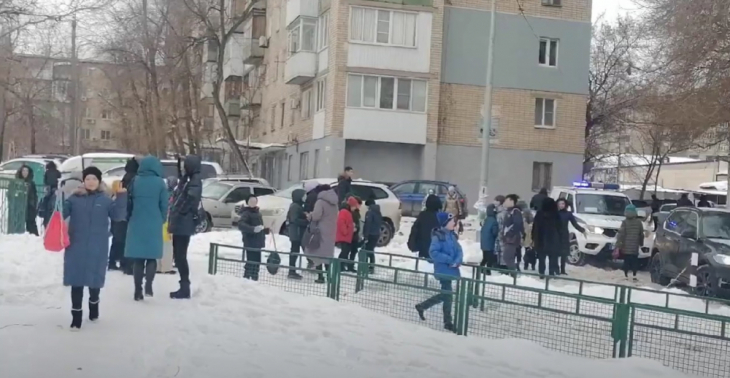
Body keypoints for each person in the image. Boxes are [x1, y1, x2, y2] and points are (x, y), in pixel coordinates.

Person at [63, 166, 122, 330]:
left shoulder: (105, 200)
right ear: (83, 181)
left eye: (94, 179)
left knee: (94, 280)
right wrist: (59, 198)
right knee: (77, 280)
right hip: (76, 245)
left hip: (98, 246)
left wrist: (121, 197)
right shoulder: (74, 199)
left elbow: (118, 216)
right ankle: (76, 317)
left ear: (99, 181)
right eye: (88, 178)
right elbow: (60, 213)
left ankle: (94, 307)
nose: (90, 182)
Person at [124, 155, 168, 301]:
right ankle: (149, 284)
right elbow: (164, 204)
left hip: (136, 220)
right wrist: (161, 218)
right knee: (151, 257)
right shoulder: (160, 183)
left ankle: (137, 289)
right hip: (154, 221)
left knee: (138, 258)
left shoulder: (135, 181)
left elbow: (128, 200)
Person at [414, 212, 463, 332]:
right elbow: (434, 252)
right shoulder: (438, 236)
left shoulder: (452, 235)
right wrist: (449, 260)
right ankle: (447, 322)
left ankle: (422, 306)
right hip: (443, 269)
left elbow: (459, 250)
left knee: (446, 295)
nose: (454, 224)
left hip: (451, 269)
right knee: (447, 295)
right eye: (452, 222)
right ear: (445, 223)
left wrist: (457, 260)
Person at [167, 155, 203, 299]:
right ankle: (183, 286)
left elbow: (191, 200)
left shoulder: (194, 181)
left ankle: (185, 287)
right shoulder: (189, 179)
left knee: (180, 256)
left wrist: (177, 210)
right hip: (181, 222)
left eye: (185, 165)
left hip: (184, 222)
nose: (183, 168)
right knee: (178, 255)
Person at [306, 185, 339, 283]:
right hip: (332, 229)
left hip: (320, 230)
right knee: (328, 253)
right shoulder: (335, 202)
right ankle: (329, 276)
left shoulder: (320, 202)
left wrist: (309, 215)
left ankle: (321, 277)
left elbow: (316, 216)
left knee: (318, 253)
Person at [238, 195, 268, 281]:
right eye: (251, 201)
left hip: (258, 241)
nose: (253, 203)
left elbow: (259, 226)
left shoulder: (258, 213)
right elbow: (241, 225)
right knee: (251, 261)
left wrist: (264, 230)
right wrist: (253, 229)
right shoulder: (246, 213)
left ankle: (254, 278)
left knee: (257, 261)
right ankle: (247, 278)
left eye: (255, 201)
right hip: (250, 241)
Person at [532, 198, 562, 276]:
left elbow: (534, 226)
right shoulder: (556, 214)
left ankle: (541, 272)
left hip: (540, 238)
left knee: (541, 258)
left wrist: (533, 237)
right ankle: (551, 272)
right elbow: (560, 227)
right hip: (553, 239)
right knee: (552, 257)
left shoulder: (539, 214)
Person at [615, 204, 644, 281]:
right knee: (634, 261)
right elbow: (641, 234)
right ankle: (634, 276)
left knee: (626, 261)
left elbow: (621, 235)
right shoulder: (639, 222)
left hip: (626, 246)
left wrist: (618, 246)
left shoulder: (624, 222)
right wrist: (641, 243)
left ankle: (626, 276)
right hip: (635, 246)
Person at [556, 198, 585, 275]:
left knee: (564, 253)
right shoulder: (555, 213)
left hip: (564, 235)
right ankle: (555, 269)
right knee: (555, 253)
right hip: (556, 235)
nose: (561, 205)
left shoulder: (568, 214)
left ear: (565, 205)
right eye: (559, 204)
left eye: (562, 204)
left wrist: (582, 230)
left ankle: (562, 269)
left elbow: (574, 224)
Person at [408, 194, 441, 259]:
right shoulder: (440, 217)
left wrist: (413, 244)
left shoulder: (422, 215)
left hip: (423, 248)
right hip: (436, 250)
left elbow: (415, 230)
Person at [158, 176, 179, 274]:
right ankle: (166, 267)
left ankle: (157, 267)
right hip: (168, 221)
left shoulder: (161, 193)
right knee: (167, 246)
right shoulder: (174, 195)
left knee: (159, 244)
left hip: (159, 220)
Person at [286, 188, 308, 280]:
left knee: (295, 250)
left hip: (296, 232)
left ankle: (292, 270)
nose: (305, 197)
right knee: (294, 251)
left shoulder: (298, 205)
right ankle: (292, 270)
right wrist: (306, 221)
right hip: (296, 232)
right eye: (303, 196)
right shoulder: (295, 206)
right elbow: (294, 220)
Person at [500, 194, 524, 272]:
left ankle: (514, 275)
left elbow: (517, 224)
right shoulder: (510, 211)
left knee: (507, 257)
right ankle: (512, 273)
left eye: (506, 200)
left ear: (511, 201)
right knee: (508, 257)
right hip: (508, 238)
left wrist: (510, 233)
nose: (505, 202)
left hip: (512, 239)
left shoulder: (515, 211)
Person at [336, 196, 360, 272]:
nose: (355, 208)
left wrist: (352, 228)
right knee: (344, 252)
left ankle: (341, 266)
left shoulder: (347, 212)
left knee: (345, 252)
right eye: (354, 206)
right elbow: (341, 223)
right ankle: (339, 266)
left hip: (347, 236)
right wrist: (346, 231)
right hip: (344, 236)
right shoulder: (344, 212)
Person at [108, 180, 128, 271]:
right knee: (120, 242)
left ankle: (112, 261)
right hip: (120, 222)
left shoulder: (113, 196)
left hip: (116, 223)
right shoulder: (117, 197)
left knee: (116, 242)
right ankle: (121, 262)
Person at [16, 165, 38, 236]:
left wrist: (34, 205)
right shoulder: (17, 181)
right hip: (19, 205)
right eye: (23, 171)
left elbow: (34, 195)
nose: (25, 173)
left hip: (29, 206)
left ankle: (34, 237)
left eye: (26, 171)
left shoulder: (31, 183)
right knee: (18, 223)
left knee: (31, 223)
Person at [362, 196, 382, 272]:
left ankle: (367, 267)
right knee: (371, 250)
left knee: (367, 251)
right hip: (376, 234)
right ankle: (371, 266)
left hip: (370, 234)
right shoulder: (378, 212)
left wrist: (366, 236)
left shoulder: (370, 213)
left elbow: (368, 224)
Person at [479, 204, 499, 274]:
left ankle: (480, 268)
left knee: (485, 257)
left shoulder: (486, 220)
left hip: (484, 242)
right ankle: (488, 271)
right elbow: (494, 232)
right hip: (490, 242)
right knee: (490, 258)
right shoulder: (494, 221)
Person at [518, 200, 536, 271]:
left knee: (522, 249)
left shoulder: (522, 212)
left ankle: (524, 264)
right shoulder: (528, 212)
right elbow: (531, 221)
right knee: (529, 250)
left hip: (524, 233)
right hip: (528, 233)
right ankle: (530, 264)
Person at [494, 195, 506, 268]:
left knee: (501, 249)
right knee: (498, 249)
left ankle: (502, 265)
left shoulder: (502, 212)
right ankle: (499, 263)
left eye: (495, 200)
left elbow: (501, 224)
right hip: (499, 233)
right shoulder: (497, 211)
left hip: (501, 234)